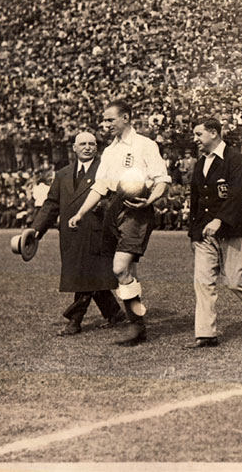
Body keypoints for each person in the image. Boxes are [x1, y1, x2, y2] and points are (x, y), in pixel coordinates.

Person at [68, 100, 170, 346]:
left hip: (136, 209)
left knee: (119, 268)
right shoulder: (110, 151)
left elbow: (162, 180)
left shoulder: (145, 145)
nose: (106, 125)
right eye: (104, 120)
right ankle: (138, 327)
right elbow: (101, 186)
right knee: (128, 272)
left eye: (110, 120)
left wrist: (149, 201)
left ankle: (135, 327)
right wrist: (80, 213)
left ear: (125, 118)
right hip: (112, 209)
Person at [187, 118, 242, 347]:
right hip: (205, 235)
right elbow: (196, 200)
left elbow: (236, 195)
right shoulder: (200, 164)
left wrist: (219, 219)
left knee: (237, 280)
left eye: (199, 134)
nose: (195, 139)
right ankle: (206, 334)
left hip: (232, 230)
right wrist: (194, 233)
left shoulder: (235, 159)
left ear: (214, 133)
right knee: (203, 282)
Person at [31, 131, 124, 336]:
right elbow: (51, 205)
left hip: (97, 232)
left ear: (97, 148)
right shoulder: (63, 173)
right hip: (71, 234)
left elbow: (117, 199)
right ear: (74, 148)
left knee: (86, 274)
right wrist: (36, 229)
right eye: (82, 143)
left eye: (92, 143)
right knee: (90, 275)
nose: (87, 147)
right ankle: (114, 313)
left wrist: (104, 206)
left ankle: (74, 320)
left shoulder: (105, 169)